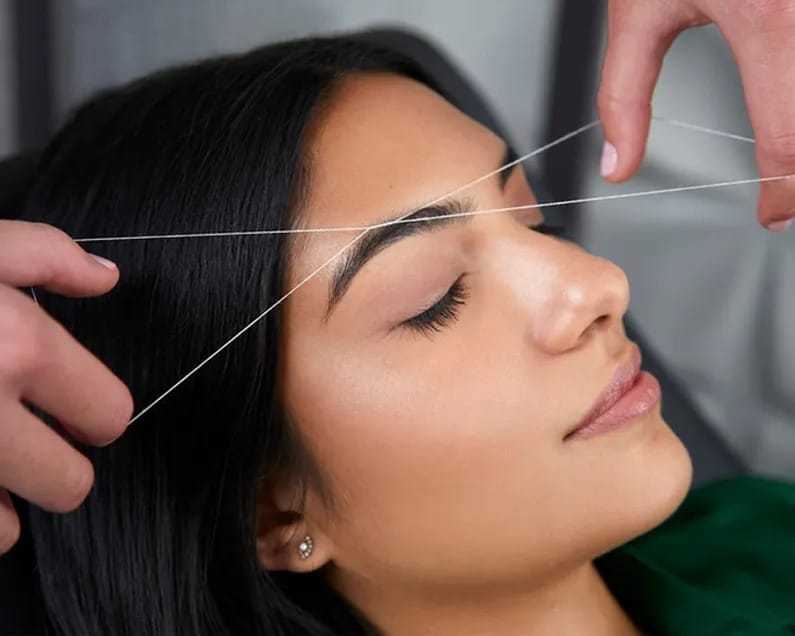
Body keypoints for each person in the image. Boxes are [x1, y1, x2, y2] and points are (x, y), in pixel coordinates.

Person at [0, 34, 793, 636]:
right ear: (275, 513)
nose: (598, 285)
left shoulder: (760, 538)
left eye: (532, 218)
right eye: (435, 297)